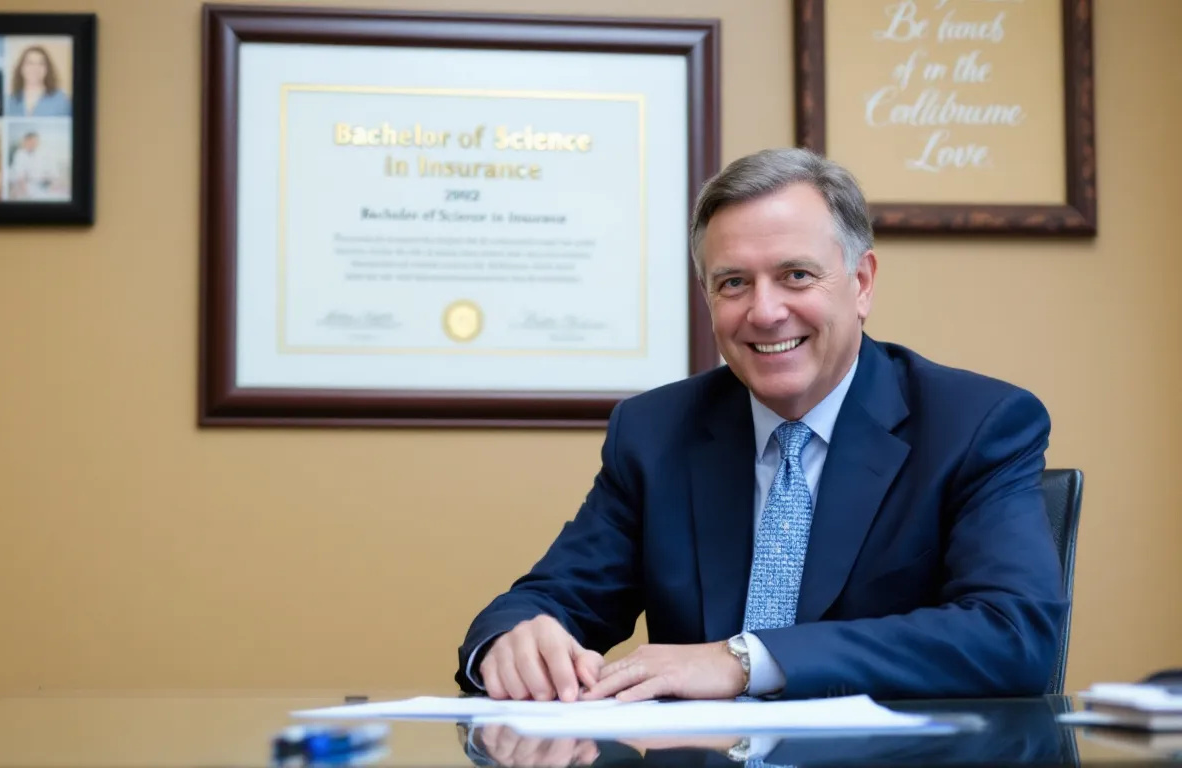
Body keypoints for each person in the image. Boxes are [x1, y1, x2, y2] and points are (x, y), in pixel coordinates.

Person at [455, 147, 1068, 703]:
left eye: (796, 275)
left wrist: (745, 660)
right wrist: (512, 640)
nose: (765, 311)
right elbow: (556, 597)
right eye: (734, 283)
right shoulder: (654, 432)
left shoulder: (975, 424)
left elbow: (1013, 635)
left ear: (860, 283)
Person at [6, 45, 72, 117]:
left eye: (41, 64)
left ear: (47, 69)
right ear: (21, 68)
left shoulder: (62, 100)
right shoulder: (10, 101)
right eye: (30, 63)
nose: (35, 68)